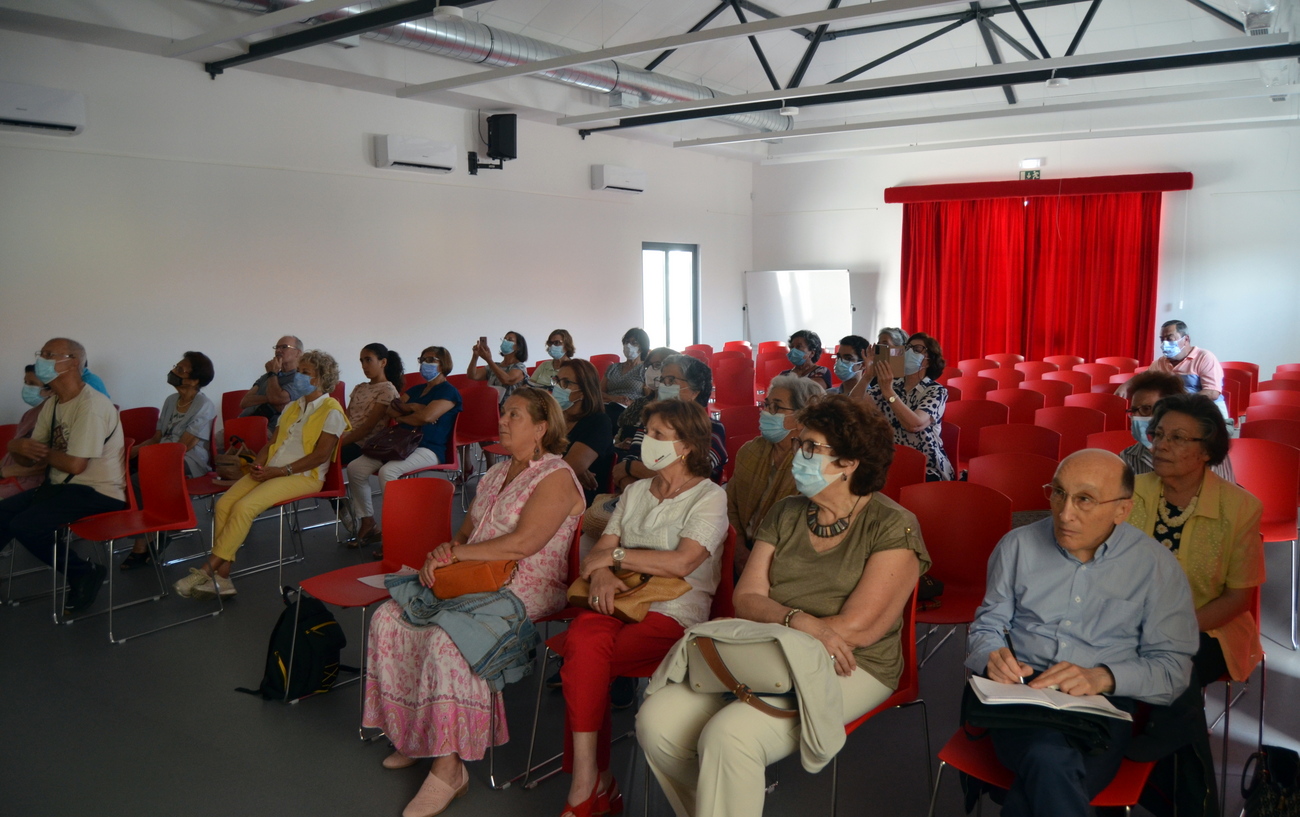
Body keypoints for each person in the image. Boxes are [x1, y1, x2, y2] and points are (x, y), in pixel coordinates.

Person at [637, 395, 929, 817]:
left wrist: (789, 626)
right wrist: (799, 622)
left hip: (852, 663)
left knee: (730, 735)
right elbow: (746, 598)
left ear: (848, 463)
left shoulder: (892, 524)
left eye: (811, 447)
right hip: (770, 649)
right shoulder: (786, 512)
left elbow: (857, 627)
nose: (798, 455)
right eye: (799, 444)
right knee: (656, 721)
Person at [363, 389, 585, 817]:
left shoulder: (555, 476)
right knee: (389, 617)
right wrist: (444, 552)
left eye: (514, 415)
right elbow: (465, 534)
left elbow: (523, 544)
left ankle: (449, 770)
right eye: (503, 413)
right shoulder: (495, 473)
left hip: (524, 585)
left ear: (540, 428)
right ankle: (417, 735)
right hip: (474, 578)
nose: (502, 421)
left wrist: (458, 555)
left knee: (448, 641)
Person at [965, 449, 1199, 817]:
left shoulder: (1155, 566)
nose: (1064, 513)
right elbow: (987, 626)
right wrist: (992, 656)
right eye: (1058, 493)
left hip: (1103, 706)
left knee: (1047, 766)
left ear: (1122, 509)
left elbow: (1174, 670)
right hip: (1022, 695)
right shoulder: (1017, 546)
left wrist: (1102, 677)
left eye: (1085, 499)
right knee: (1049, 760)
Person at [560, 398, 728, 817]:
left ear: (686, 445)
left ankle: (591, 784)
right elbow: (598, 551)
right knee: (584, 638)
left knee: (583, 659)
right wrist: (602, 573)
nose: (645, 442)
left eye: (657, 435)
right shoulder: (635, 491)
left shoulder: (709, 497)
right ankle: (590, 779)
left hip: (674, 608)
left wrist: (615, 559)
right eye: (646, 432)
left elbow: (682, 563)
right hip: (619, 598)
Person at [173, 350, 348, 599]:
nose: (298, 376)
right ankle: (223, 577)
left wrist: (281, 471)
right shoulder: (293, 406)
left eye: (305, 372)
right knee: (223, 505)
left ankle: (206, 571)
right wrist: (257, 465)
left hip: (302, 476)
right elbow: (272, 443)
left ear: (320, 378)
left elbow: (320, 456)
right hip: (272, 470)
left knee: (244, 508)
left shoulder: (332, 411)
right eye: (299, 371)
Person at [1127, 393, 1263, 688]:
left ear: (1206, 451)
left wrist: (1171, 629)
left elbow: (1237, 598)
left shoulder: (1240, 507)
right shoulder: (1129, 493)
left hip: (1205, 628)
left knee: (1170, 668)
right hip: (1128, 621)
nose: (1161, 445)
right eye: (1158, 434)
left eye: (1177, 438)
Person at [0, 338, 126, 612]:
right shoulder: (54, 403)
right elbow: (32, 457)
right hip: (61, 487)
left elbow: (75, 465)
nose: (41, 360)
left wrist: (35, 450)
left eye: (49, 354)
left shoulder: (91, 405)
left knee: (25, 525)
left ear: (73, 363)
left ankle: (83, 573)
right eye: (41, 354)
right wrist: (18, 449)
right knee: (3, 513)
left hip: (98, 491)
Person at [345, 346, 461, 549]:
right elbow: (392, 410)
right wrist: (414, 408)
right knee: (355, 468)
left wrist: (408, 413)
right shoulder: (416, 390)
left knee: (388, 472)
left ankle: (396, 533)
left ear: (443, 364)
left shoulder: (449, 392)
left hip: (429, 448)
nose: (424, 364)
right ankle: (368, 523)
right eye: (422, 359)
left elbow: (427, 417)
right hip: (400, 443)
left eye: (431, 360)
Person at [119, 351, 218, 569]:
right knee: (125, 469)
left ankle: (144, 541)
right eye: (176, 366)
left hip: (188, 460)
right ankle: (154, 531)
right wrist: (134, 451)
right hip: (162, 454)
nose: (173, 371)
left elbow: (183, 446)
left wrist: (151, 457)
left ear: (195, 380)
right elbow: (157, 437)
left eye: (180, 370)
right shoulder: (171, 400)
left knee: (139, 480)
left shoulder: (204, 405)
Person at [726, 374, 824, 573]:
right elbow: (730, 504)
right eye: (766, 405)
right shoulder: (750, 451)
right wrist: (739, 550)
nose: (766, 412)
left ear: (801, 418)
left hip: (783, 561)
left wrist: (758, 561)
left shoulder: (811, 467)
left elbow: (801, 531)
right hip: (738, 548)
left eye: (776, 407)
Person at [613, 354, 727, 488]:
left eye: (671, 381)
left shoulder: (711, 429)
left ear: (695, 391)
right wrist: (636, 493)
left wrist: (631, 467)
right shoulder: (651, 423)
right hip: (639, 496)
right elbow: (623, 468)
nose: (663, 386)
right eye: (662, 380)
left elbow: (687, 478)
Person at [868, 332, 954, 481]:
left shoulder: (936, 391)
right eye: (907, 348)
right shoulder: (893, 384)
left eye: (917, 349)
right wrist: (867, 376)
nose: (909, 352)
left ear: (929, 360)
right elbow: (855, 404)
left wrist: (889, 393)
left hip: (927, 465)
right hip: (891, 461)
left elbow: (914, 425)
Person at [1120, 369, 1234, 482]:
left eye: (1146, 409)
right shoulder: (1127, 458)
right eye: (1133, 411)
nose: (1136, 417)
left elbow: (1225, 491)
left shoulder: (1205, 451)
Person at [550, 359, 614, 507]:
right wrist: (568, 468)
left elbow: (566, 470)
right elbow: (531, 455)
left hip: (581, 498)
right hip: (552, 488)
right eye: (557, 381)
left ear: (584, 391)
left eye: (566, 382)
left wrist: (567, 468)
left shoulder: (598, 422)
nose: (558, 387)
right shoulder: (555, 419)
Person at [1141, 320, 1229, 418]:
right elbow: (1146, 386)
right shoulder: (1159, 363)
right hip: (1177, 414)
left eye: (1170, 339)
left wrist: (1180, 401)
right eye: (1162, 340)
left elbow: (1212, 392)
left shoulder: (1204, 357)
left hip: (1208, 413)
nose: (1164, 344)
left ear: (1186, 339)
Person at [336, 343, 404, 466]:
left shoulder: (387, 389)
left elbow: (368, 428)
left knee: (323, 455)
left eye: (368, 360)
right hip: (346, 438)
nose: (364, 366)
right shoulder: (359, 387)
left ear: (383, 362)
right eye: (362, 361)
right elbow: (346, 419)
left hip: (364, 444)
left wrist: (338, 444)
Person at [239, 334, 313, 430]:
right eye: (277, 347)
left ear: (298, 353)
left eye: (284, 347)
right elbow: (244, 402)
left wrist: (272, 374)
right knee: (220, 437)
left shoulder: (301, 378)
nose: (278, 350)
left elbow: (277, 398)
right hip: (242, 422)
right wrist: (272, 399)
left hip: (269, 430)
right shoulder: (266, 376)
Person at [0, 366, 52, 500]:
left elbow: (44, 464)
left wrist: (4, 472)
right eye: (26, 383)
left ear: (50, 390)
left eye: (32, 384)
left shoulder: (52, 417)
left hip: (26, 485)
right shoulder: (29, 414)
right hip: (8, 479)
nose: (27, 388)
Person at [615, 346, 675, 447]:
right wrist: (620, 445)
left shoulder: (678, 408)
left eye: (657, 365)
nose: (650, 370)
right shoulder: (638, 404)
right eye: (648, 366)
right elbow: (619, 437)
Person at [468, 331, 528, 406]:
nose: (505, 341)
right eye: (504, 339)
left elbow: (507, 380)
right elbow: (472, 375)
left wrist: (489, 360)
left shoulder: (520, 367)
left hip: (510, 408)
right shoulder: (494, 366)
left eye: (510, 340)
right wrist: (475, 356)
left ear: (518, 347)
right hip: (491, 406)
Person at [600, 327, 651, 410]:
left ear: (642, 347)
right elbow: (599, 392)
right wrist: (613, 398)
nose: (628, 345)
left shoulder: (646, 369)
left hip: (632, 409)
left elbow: (649, 398)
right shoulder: (613, 368)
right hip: (608, 405)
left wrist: (632, 402)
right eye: (627, 342)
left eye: (634, 343)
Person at [830, 335, 872, 399]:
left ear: (863, 365)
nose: (840, 362)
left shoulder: (873, 397)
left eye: (848, 358)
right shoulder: (828, 395)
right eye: (838, 357)